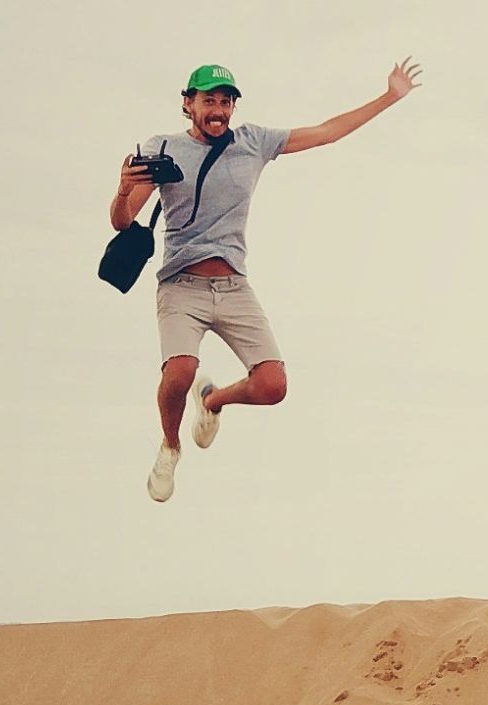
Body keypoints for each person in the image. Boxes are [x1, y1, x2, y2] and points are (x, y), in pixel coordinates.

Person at [112, 59, 424, 502]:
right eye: (208, 101)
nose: (218, 109)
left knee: (272, 386)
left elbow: (327, 131)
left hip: (234, 285)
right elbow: (123, 223)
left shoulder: (253, 142)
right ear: (189, 104)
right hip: (181, 285)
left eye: (225, 101)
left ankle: (214, 401)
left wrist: (389, 97)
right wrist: (124, 191)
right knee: (180, 372)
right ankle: (170, 446)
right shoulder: (162, 147)